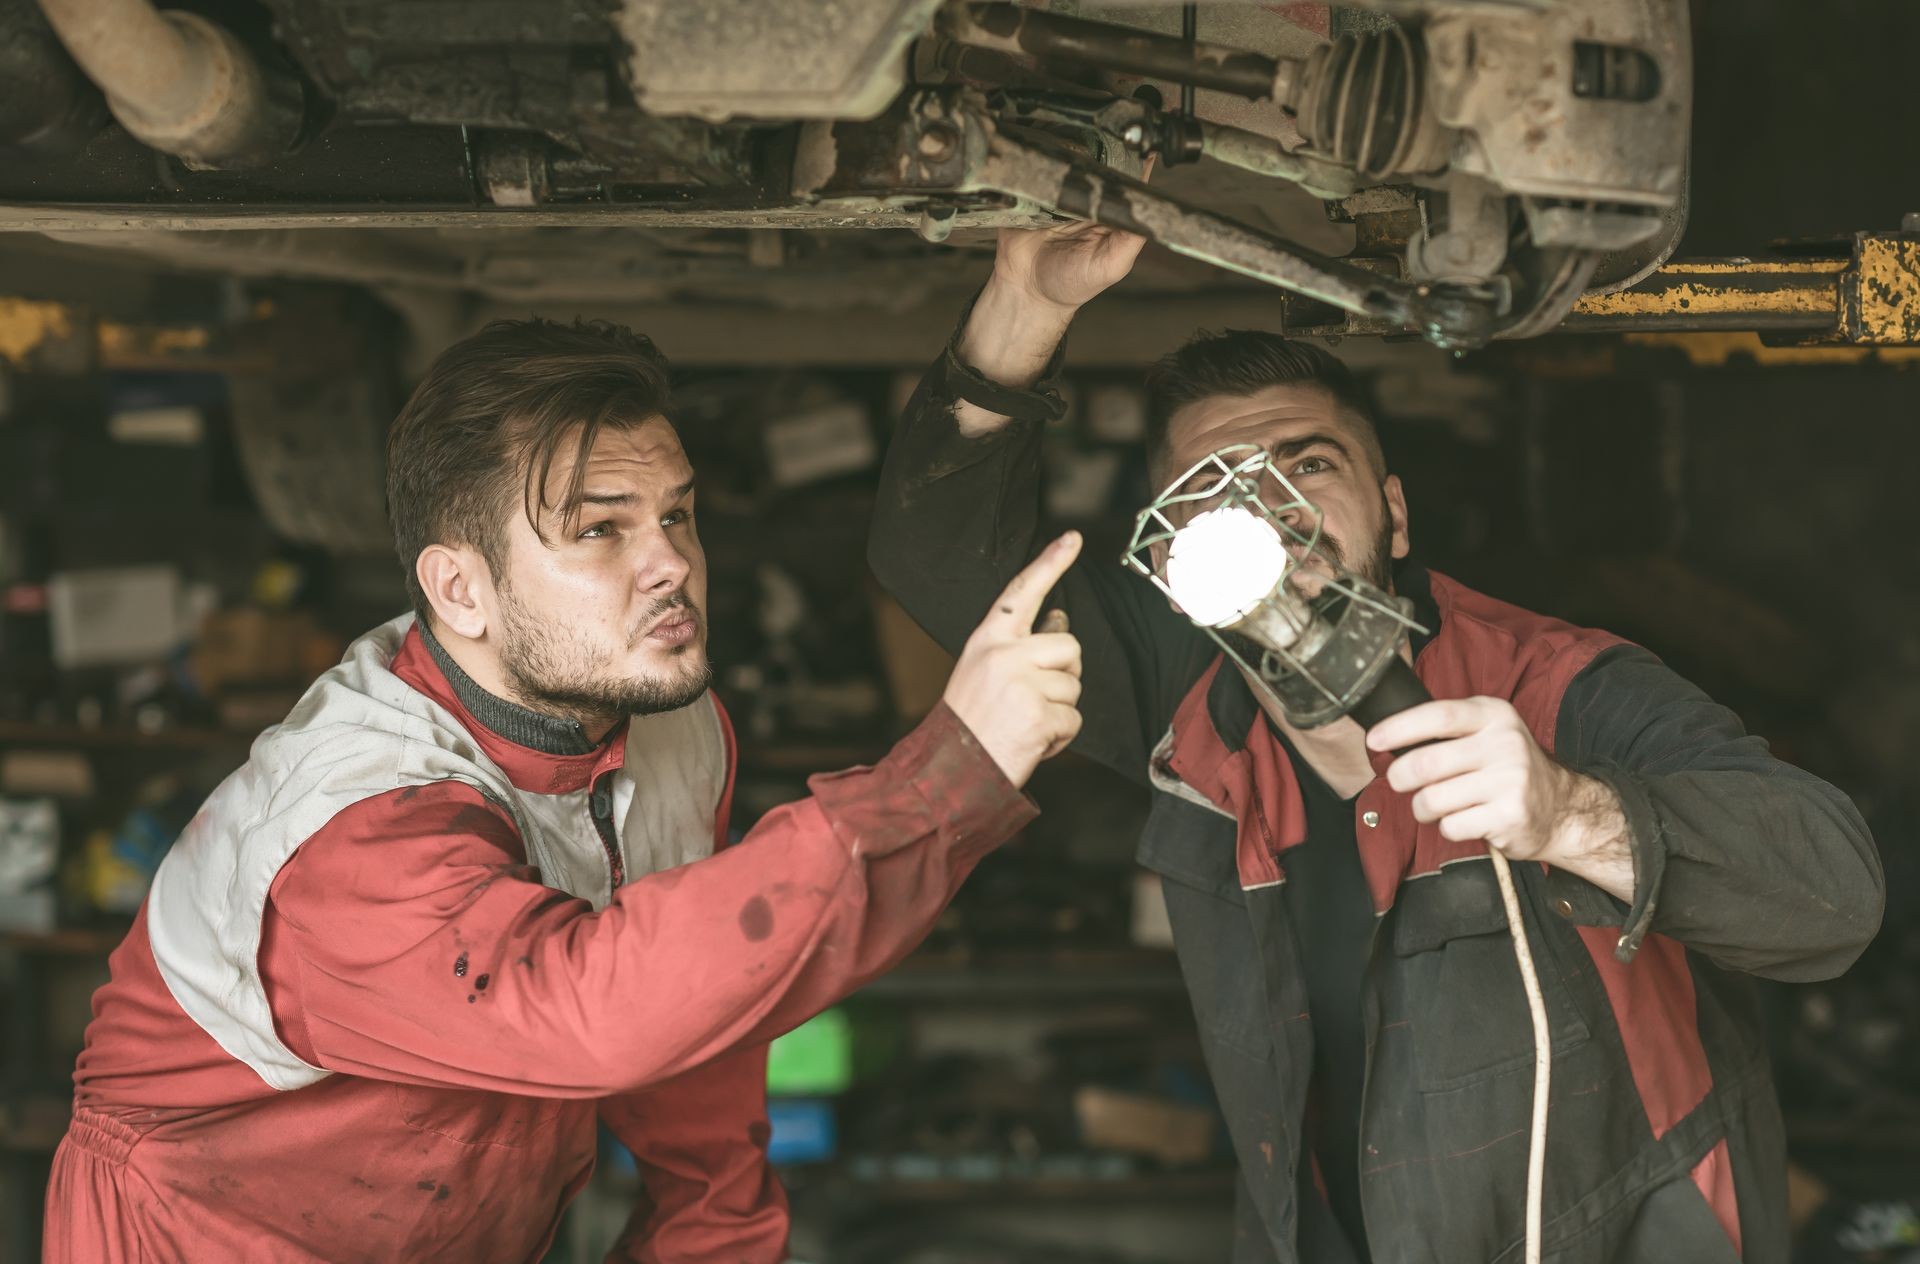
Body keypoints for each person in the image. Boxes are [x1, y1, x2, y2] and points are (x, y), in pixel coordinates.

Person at [869, 221, 1885, 1264]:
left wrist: (1570, 811)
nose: (1268, 511)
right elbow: (938, 561)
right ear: (1177, 564)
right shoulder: (1188, 707)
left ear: (1395, 515)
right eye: (1215, 489)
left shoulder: (1557, 688)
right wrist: (1023, 303)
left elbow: (1834, 899)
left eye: (1307, 464)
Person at [45, 318, 1087, 1262]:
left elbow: (698, 1026)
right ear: (461, 589)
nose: (671, 562)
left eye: (678, 515)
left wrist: (709, 1237)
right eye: (601, 530)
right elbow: (595, 1010)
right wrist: (951, 772)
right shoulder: (350, 831)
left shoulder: (675, 732)